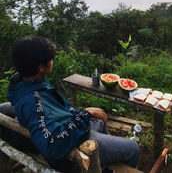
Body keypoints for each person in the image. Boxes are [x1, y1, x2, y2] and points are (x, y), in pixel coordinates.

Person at [6, 36, 140, 172]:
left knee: (99, 123)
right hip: (76, 142)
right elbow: (53, 144)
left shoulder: (27, 83)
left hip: (75, 126)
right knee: (133, 149)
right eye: (50, 59)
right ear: (41, 67)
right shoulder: (34, 101)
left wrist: (83, 116)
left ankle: (102, 164)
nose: (52, 61)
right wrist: (86, 113)